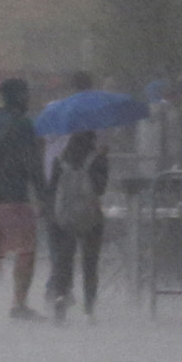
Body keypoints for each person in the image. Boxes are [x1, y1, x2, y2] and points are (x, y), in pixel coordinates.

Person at [0, 78, 46, 322]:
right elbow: (32, 163)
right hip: (15, 197)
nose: (28, 99)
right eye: (26, 94)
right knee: (25, 252)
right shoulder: (23, 124)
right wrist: (43, 195)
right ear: (18, 96)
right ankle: (19, 305)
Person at [47, 130, 109, 323]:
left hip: (65, 218)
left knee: (64, 261)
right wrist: (103, 159)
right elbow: (100, 189)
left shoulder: (60, 160)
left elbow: (52, 189)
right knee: (90, 262)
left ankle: (60, 299)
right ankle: (89, 309)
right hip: (91, 217)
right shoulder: (97, 159)